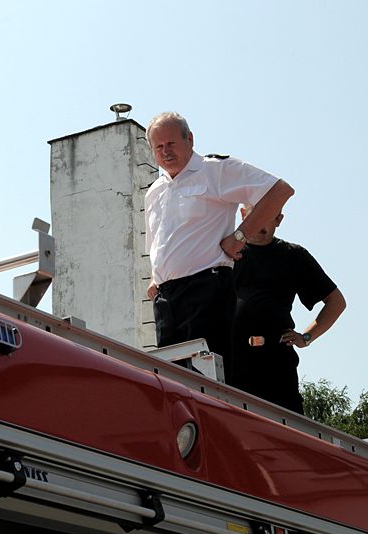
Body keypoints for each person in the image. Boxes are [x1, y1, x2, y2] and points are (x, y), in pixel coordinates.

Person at [144, 112, 294, 379]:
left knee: (205, 377)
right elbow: (157, 241)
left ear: (190, 139)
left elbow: (279, 191)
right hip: (166, 299)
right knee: (171, 379)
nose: (165, 151)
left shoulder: (214, 170)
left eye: (171, 143)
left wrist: (240, 237)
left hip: (205, 287)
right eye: (159, 146)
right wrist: (155, 279)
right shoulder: (154, 191)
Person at [231, 204, 346, 414]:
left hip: (276, 364)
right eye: (254, 213)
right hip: (232, 362)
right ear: (243, 214)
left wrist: (306, 337)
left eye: (266, 214)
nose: (259, 221)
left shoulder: (293, 256)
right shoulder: (226, 253)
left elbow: (336, 302)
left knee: (286, 430)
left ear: (279, 219)